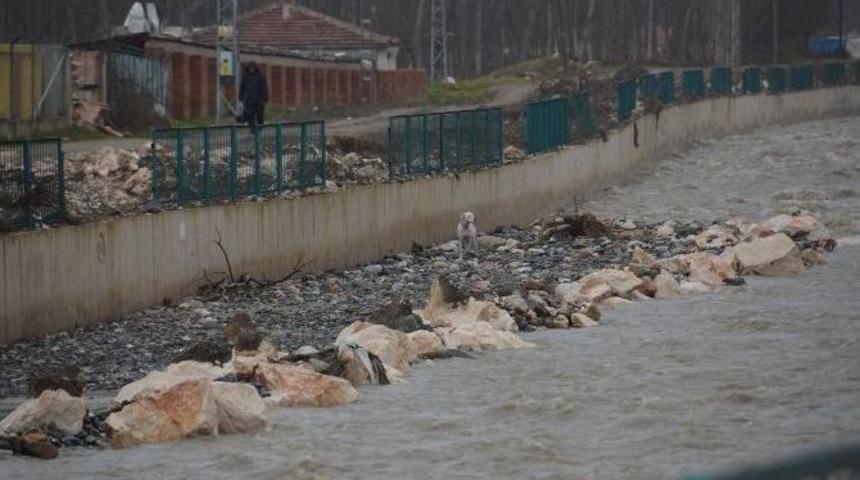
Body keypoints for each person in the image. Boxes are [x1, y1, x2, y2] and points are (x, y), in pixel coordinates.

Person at [238, 63, 269, 127]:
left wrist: (265, 97)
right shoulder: (245, 77)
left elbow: (264, 88)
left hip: (259, 101)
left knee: (260, 116)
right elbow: (242, 88)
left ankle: (259, 128)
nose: (251, 69)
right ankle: (252, 129)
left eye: (253, 68)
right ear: (248, 69)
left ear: (255, 68)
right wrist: (240, 99)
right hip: (249, 101)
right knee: (250, 116)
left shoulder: (260, 77)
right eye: (250, 68)